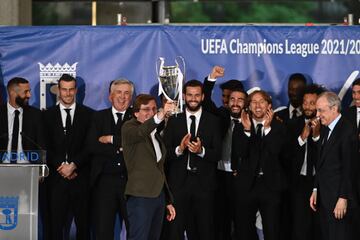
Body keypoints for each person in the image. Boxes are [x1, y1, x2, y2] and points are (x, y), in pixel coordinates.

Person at [164, 80, 222, 240]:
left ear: (203, 96)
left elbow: (218, 154)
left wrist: (201, 151)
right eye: (189, 95)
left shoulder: (213, 121)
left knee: (205, 232)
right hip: (178, 186)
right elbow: (164, 155)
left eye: (197, 95)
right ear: (184, 96)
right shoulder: (174, 120)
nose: (193, 98)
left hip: (205, 187)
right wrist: (180, 149)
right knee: (175, 231)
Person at [232, 90, 288, 240]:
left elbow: (275, 152)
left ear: (269, 106)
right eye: (253, 102)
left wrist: (268, 130)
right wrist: (247, 130)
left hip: (270, 186)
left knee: (272, 229)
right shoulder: (240, 126)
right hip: (247, 185)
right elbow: (241, 153)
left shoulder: (279, 127)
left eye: (261, 102)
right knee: (244, 230)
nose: (258, 106)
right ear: (248, 106)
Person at [43, 74, 93, 240]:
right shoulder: (46, 116)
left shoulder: (89, 115)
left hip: (81, 179)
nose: (68, 93)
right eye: (64, 89)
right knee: (54, 228)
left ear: (76, 90)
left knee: (84, 227)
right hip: (56, 181)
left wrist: (74, 165)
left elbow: (89, 146)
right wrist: (62, 167)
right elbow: (45, 146)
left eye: (71, 89)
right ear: (58, 90)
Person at [122, 94, 176, 240]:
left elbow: (158, 169)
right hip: (140, 197)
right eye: (146, 109)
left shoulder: (155, 134)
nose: (151, 113)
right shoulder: (129, 128)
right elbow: (142, 131)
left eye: (153, 109)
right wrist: (161, 114)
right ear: (135, 112)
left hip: (158, 197)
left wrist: (167, 200)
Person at [202, 66, 247, 240]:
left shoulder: (251, 119)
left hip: (241, 177)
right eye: (228, 98)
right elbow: (205, 102)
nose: (231, 102)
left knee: (242, 221)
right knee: (220, 220)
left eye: (236, 99)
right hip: (219, 176)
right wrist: (211, 78)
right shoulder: (220, 115)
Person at [87, 79, 134, 239]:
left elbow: (138, 144)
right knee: (102, 231)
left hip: (131, 183)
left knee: (134, 230)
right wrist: (121, 149)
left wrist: (111, 139)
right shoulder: (97, 117)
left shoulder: (138, 119)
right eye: (119, 92)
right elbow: (92, 145)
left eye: (127, 93)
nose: (122, 97)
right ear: (110, 96)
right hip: (104, 183)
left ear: (131, 97)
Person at [310, 91, 357, 240]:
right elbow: (321, 162)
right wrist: (315, 189)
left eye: (321, 110)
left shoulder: (347, 131)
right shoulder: (326, 128)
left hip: (338, 200)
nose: (317, 115)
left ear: (334, 109)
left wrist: (343, 197)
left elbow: (349, 168)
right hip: (325, 198)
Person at [287, 84, 325, 240]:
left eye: (312, 103)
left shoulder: (327, 125)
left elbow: (327, 157)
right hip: (299, 183)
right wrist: (302, 138)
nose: (308, 107)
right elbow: (286, 155)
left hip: (320, 183)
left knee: (319, 226)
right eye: (305, 102)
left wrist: (316, 137)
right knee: (299, 226)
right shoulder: (292, 124)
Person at [0, 77, 45, 162]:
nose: (29, 95)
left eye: (29, 91)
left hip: (28, 167)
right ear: (12, 93)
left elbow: (42, 145)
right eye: (25, 92)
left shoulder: (36, 115)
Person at [342, 78, 360, 240]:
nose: (356, 96)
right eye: (354, 92)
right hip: (350, 177)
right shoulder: (346, 115)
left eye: (359, 92)